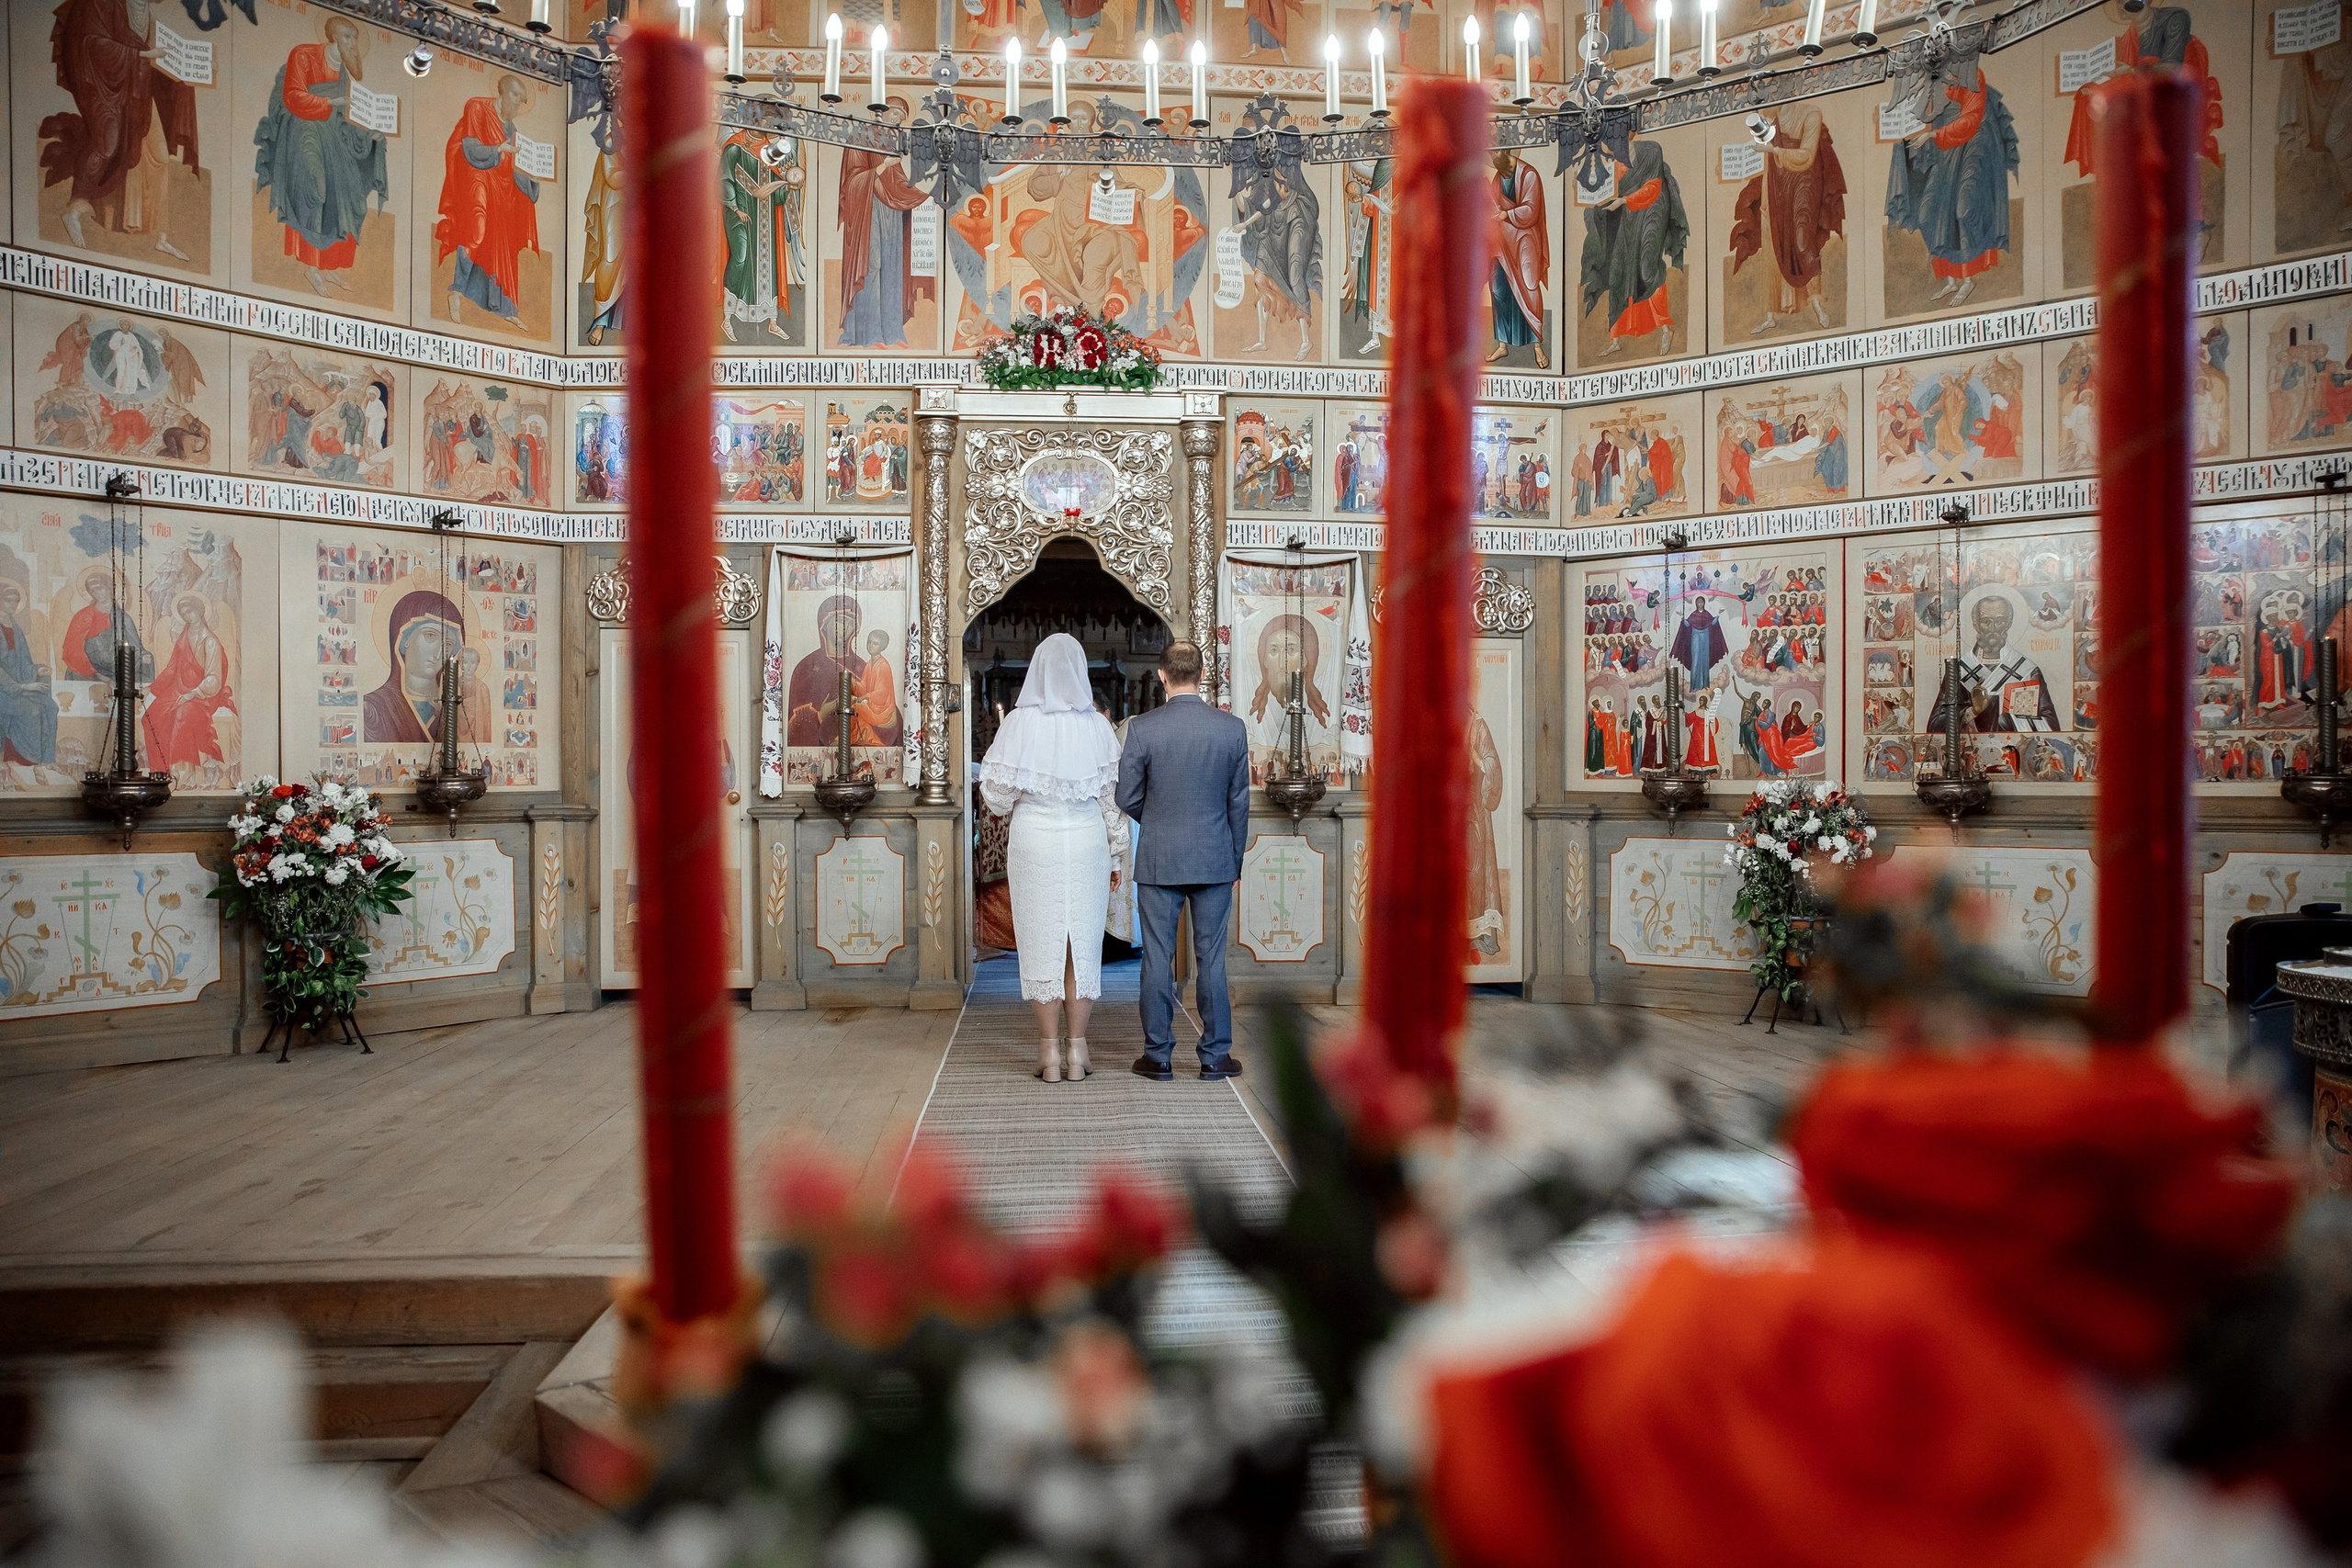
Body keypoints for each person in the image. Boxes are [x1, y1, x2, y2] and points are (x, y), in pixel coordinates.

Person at [978, 634, 1131, 1086]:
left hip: (1035, 840)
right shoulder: (1098, 727)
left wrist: (1030, 788)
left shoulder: (1019, 725)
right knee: (1081, 945)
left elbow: (997, 799)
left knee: (1042, 941)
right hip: (1087, 842)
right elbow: (1112, 802)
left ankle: (1048, 1055)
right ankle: (1077, 1052)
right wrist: (1117, 854)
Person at [1115, 641, 1250, 1081]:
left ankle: (1158, 1057)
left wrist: (1156, 821)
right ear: (1202, 672)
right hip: (1214, 857)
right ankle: (1214, 1058)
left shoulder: (1143, 729)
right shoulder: (1230, 729)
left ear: (1162, 676)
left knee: (1157, 956)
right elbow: (1238, 804)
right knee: (1211, 957)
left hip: (1160, 858)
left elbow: (1126, 796)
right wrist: (1234, 863)